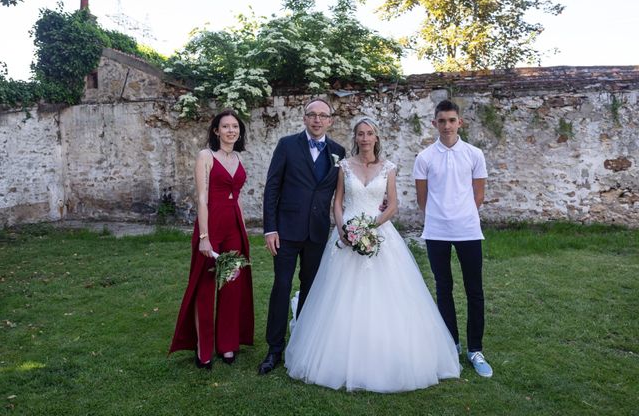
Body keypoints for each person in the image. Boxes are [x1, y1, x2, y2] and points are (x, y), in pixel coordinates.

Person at [284, 117, 461, 392]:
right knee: (338, 294)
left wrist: (370, 227)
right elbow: (339, 202)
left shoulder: (388, 168)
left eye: (369, 134)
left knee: (390, 295)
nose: (365, 138)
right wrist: (344, 229)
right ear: (355, 138)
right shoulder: (344, 166)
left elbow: (392, 206)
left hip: (379, 234)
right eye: (360, 134)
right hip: (347, 234)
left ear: (376, 137)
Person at [258, 99, 346, 375]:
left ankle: (304, 343)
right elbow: (272, 188)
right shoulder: (287, 145)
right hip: (285, 231)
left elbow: (345, 190)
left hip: (318, 232)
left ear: (331, 120)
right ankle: (274, 349)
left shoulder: (338, 151)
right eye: (312, 115)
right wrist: (270, 228)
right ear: (304, 118)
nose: (317, 120)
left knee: (311, 288)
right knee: (281, 286)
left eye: (323, 116)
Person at [413, 99, 493, 378]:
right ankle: (451, 344)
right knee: (443, 287)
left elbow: (478, 195)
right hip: (436, 232)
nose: (447, 126)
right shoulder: (424, 157)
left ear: (460, 122)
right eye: (442, 121)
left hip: (469, 231)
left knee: (474, 290)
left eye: (451, 120)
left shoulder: (474, 154)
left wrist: (461, 215)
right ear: (434, 123)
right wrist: (440, 216)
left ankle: (475, 349)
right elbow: (422, 199)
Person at [169, 109, 254, 369]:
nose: (231, 130)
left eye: (235, 127)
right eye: (225, 126)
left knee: (232, 284)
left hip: (233, 226)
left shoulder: (239, 158)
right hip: (211, 224)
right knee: (205, 285)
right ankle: (203, 347)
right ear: (216, 131)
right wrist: (204, 237)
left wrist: (242, 229)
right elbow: (202, 198)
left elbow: (236, 197)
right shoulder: (206, 156)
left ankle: (227, 344)